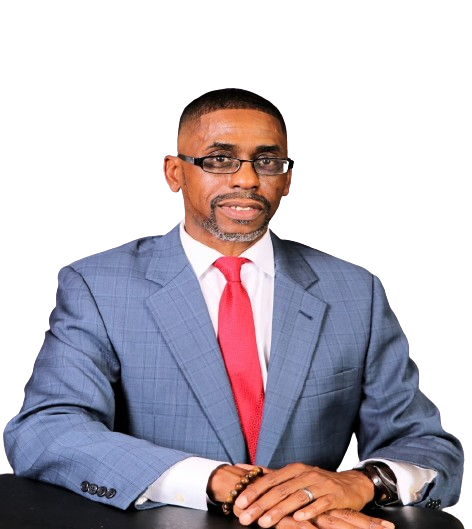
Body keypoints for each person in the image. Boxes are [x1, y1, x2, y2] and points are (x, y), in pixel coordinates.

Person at [3, 88, 463, 529]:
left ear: (287, 180)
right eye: (219, 160)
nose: (246, 179)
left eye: (267, 161)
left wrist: (360, 483)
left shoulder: (356, 290)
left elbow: (425, 442)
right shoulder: (98, 285)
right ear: (174, 173)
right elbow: (47, 429)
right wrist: (217, 481)